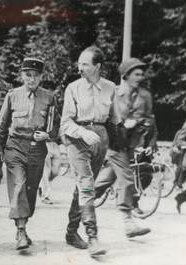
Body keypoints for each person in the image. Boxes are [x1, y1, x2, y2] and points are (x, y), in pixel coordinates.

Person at [0, 57, 60, 250]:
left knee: (30, 190)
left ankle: (22, 227)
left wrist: (48, 135)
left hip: (37, 150)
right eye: (28, 75)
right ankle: (20, 232)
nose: (31, 79)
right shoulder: (12, 95)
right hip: (15, 147)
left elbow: (56, 125)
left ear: (41, 77)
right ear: (22, 76)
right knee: (19, 185)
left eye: (36, 75)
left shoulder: (49, 98)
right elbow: (2, 122)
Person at [59, 46, 121, 257]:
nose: (80, 68)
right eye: (79, 63)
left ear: (98, 66)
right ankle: (93, 237)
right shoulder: (73, 88)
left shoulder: (111, 87)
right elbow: (65, 122)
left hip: (100, 139)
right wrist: (82, 133)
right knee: (86, 185)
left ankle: (70, 232)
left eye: (85, 64)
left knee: (85, 188)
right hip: (77, 139)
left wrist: (118, 144)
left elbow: (114, 119)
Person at [94, 58, 153, 238]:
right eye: (136, 74)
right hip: (113, 144)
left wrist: (140, 125)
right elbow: (102, 119)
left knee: (103, 183)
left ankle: (79, 202)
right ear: (125, 75)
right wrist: (122, 125)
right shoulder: (114, 94)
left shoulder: (145, 96)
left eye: (142, 74)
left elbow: (150, 119)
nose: (140, 77)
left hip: (129, 146)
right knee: (127, 179)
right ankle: (128, 223)